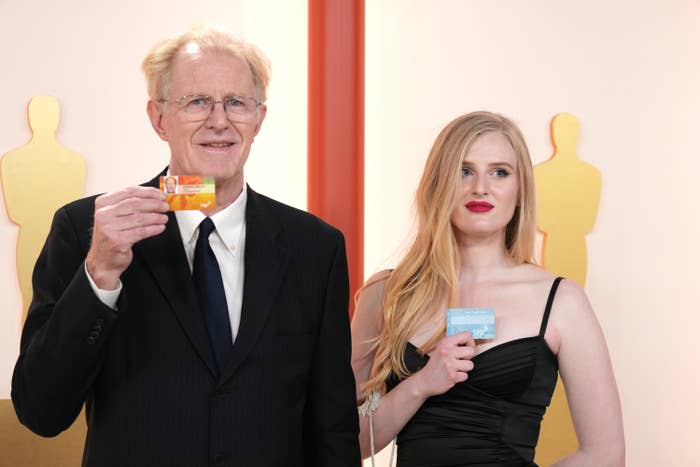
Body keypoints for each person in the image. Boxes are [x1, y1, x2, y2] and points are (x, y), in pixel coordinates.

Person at [11, 26, 360, 467]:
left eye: (236, 102)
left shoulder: (316, 247)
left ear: (259, 118)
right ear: (159, 119)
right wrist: (98, 277)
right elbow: (40, 410)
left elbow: (333, 428)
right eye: (197, 102)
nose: (219, 120)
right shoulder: (85, 230)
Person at [351, 111, 624, 466]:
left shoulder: (561, 300)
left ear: (520, 188)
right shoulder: (387, 293)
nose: (480, 187)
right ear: (438, 183)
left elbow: (605, 455)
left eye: (499, 172)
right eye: (464, 171)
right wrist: (419, 385)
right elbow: (343, 442)